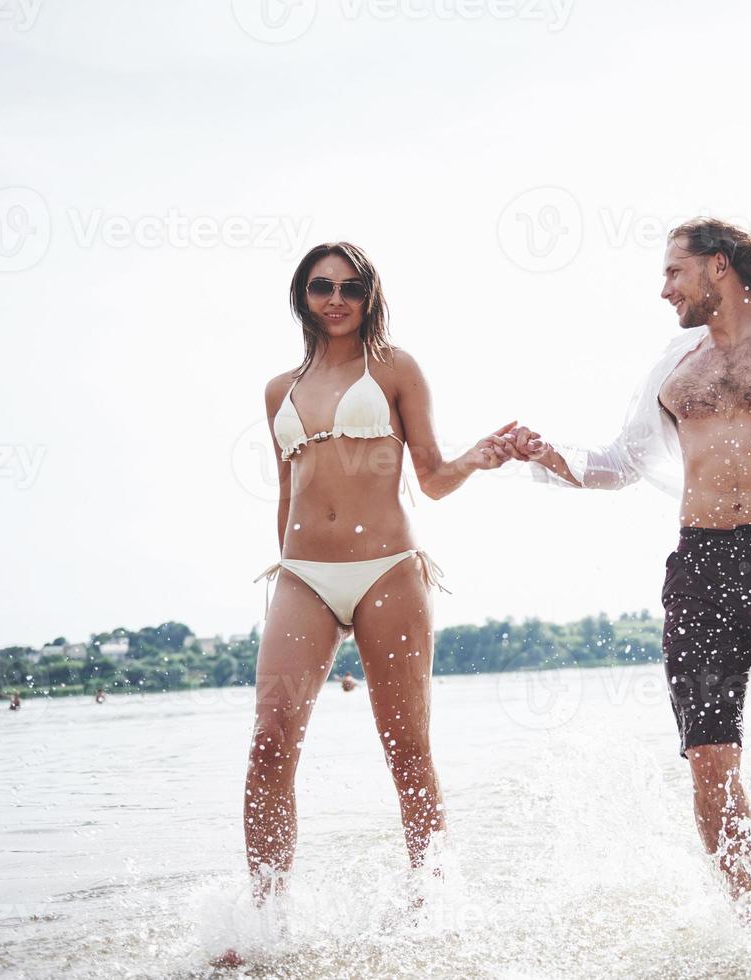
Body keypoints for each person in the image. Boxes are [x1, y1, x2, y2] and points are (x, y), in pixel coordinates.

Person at [503, 218, 751, 914]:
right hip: (702, 568)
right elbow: (616, 464)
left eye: (672, 272)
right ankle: (748, 925)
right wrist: (547, 456)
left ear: (717, 267)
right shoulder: (673, 364)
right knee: (708, 758)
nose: (663, 289)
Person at [243, 242, 513, 901]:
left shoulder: (393, 368)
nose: (335, 299)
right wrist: (286, 581)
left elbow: (434, 477)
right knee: (267, 747)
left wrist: (480, 456)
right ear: (301, 296)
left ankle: (433, 901)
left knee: (406, 751)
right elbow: (286, 491)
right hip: (303, 575)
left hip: (388, 570)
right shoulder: (280, 387)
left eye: (350, 287)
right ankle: (262, 918)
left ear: (369, 295)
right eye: (320, 286)